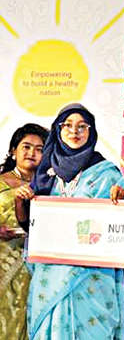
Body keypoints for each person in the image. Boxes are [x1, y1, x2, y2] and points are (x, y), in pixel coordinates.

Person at [15, 104, 124, 339]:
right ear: (58, 130)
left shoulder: (106, 172)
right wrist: (21, 202)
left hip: (92, 277)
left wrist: (121, 199)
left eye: (82, 126)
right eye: (68, 125)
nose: (74, 131)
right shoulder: (46, 172)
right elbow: (31, 226)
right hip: (51, 274)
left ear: (91, 131)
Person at [0, 123, 46, 340]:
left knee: (28, 315)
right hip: (3, 261)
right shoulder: (1, 182)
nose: (31, 153)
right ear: (13, 151)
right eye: (26, 147)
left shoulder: (50, 188)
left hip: (36, 267)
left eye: (39, 149)